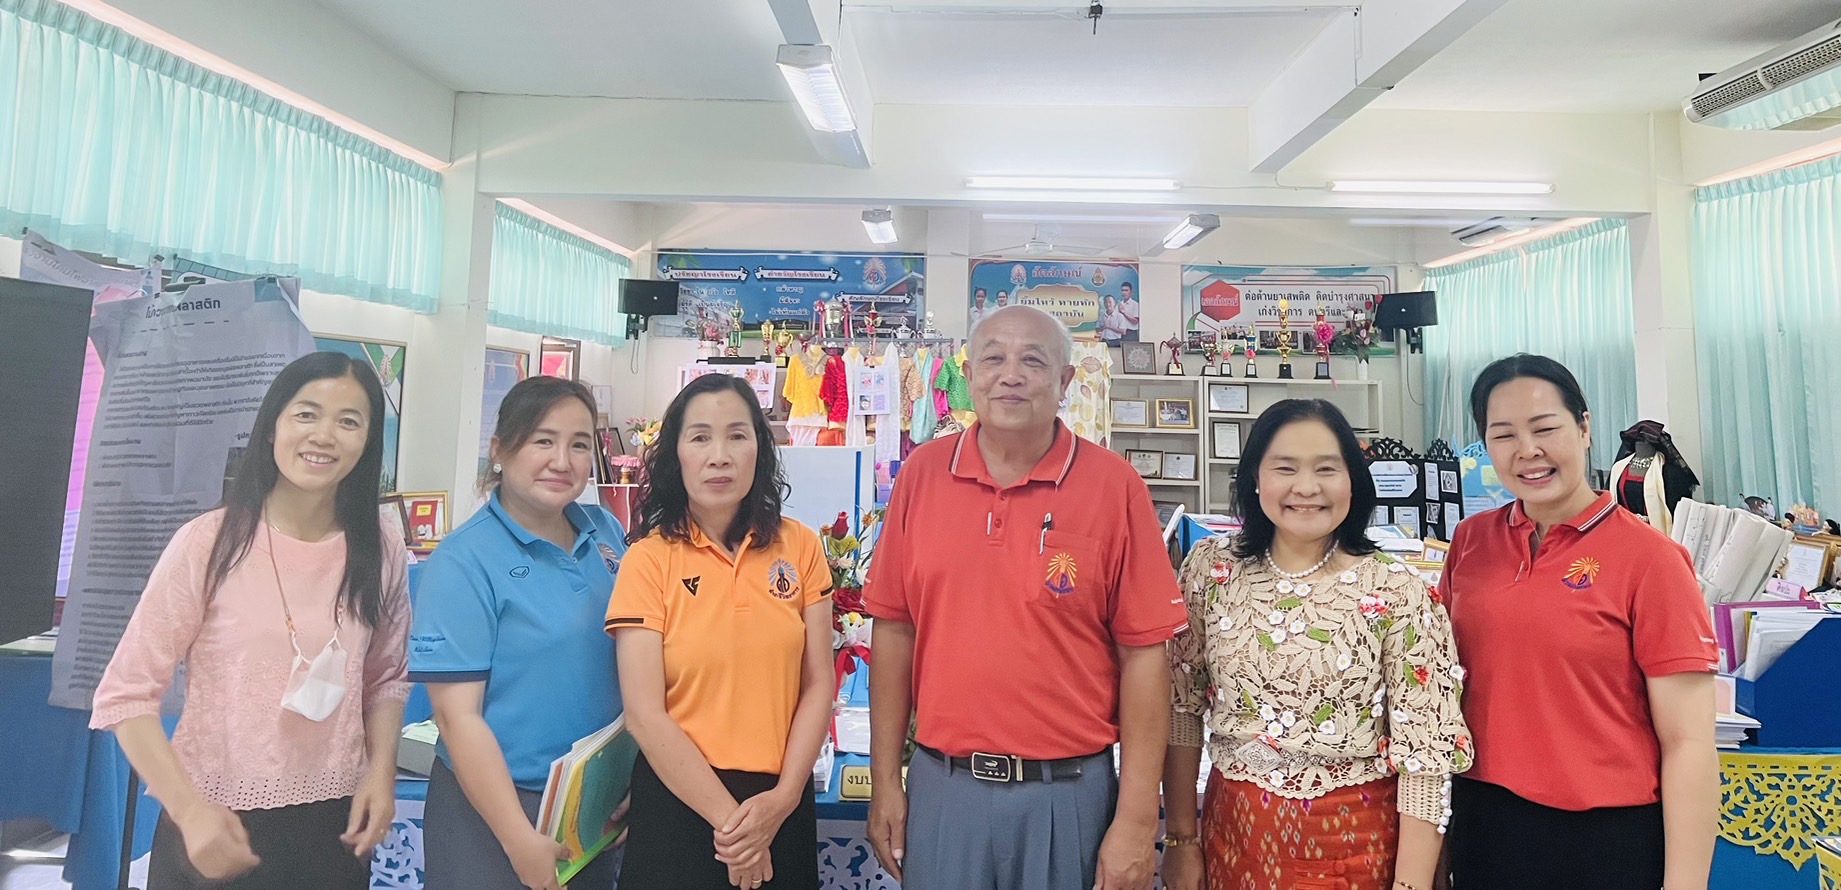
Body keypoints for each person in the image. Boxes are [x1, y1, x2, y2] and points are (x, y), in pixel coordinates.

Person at [864, 304, 1188, 890]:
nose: (1010, 375)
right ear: (969, 374)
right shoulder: (921, 476)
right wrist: (885, 778)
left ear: (1065, 382)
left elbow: (1145, 656)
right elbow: (893, 629)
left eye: (1032, 361)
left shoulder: (1114, 487)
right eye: (993, 359)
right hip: (944, 791)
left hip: (1069, 797)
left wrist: (1139, 818)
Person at [92, 351, 409, 888]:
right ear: (271, 427)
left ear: (368, 441)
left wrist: (381, 773)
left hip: (335, 826)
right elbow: (125, 695)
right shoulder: (209, 543)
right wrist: (189, 811)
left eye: (349, 421)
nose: (324, 435)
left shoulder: (381, 546)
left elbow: (386, 678)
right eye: (306, 414)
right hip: (217, 823)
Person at [1161, 399, 1469, 890]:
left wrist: (1410, 884)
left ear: (1353, 481)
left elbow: (1425, 758)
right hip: (1232, 841)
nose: (1306, 487)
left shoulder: (1397, 590)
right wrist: (1181, 840)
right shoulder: (1210, 570)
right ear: (1254, 478)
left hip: (1356, 848)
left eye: (1326, 469)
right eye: (1285, 468)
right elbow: (1182, 707)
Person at [1440, 354, 1718, 890]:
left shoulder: (1651, 560)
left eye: (1545, 428)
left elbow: (1688, 742)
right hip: (1483, 823)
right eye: (1504, 435)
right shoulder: (1471, 542)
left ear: (1584, 428)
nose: (1528, 450)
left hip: (1605, 840)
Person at [605, 373, 833, 890]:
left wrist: (782, 801)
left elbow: (819, 682)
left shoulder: (800, 546)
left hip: (781, 803)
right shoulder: (648, 561)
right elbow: (645, 715)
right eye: (700, 437)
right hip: (680, 804)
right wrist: (737, 831)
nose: (719, 456)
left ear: (760, 448)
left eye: (737, 435)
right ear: (676, 454)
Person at [410, 376, 627, 890]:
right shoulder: (463, 561)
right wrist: (516, 836)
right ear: (499, 450)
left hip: (591, 806)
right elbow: (457, 718)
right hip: (496, 812)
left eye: (579, 445)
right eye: (542, 440)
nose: (562, 461)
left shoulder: (605, 531)